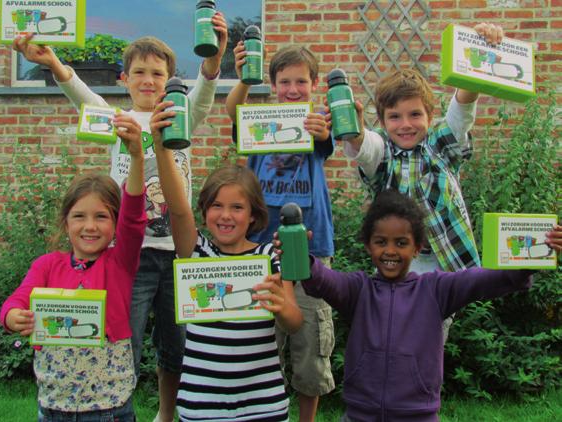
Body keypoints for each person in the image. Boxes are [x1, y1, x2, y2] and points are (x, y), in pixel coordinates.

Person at [13, 14, 228, 422]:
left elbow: (203, 93)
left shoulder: (182, 118)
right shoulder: (118, 122)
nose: (149, 80)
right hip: (128, 256)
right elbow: (82, 97)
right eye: (141, 73)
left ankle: (166, 414)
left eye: (158, 74)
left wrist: (214, 60)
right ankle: (114, 406)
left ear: (169, 79)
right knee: (121, 338)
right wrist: (55, 63)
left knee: (177, 345)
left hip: (179, 254)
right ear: (124, 78)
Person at [276, 189, 562, 422]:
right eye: (381, 242)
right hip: (359, 414)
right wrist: (300, 254)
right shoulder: (358, 290)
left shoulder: (436, 289)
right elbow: (324, 279)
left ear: (417, 247)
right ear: (368, 245)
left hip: (418, 415)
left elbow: (482, 280)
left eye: (401, 243)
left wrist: (528, 261)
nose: (390, 251)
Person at [150, 105, 303, 420]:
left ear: (253, 214)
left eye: (237, 207)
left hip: (264, 405)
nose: (226, 215)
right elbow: (178, 210)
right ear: (205, 212)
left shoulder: (271, 256)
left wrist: (281, 307)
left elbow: (294, 321)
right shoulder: (196, 253)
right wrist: (161, 148)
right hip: (201, 404)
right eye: (216, 206)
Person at [0, 116, 146, 421]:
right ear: (66, 221)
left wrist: (136, 156)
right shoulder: (46, 265)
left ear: (115, 223)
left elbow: (134, 216)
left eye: (101, 217)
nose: (89, 226)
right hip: (54, 408)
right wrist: (14, 317)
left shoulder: (120, 262)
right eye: (79, 216)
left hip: (111, 409)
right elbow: (15, 302)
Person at [339, 22, 505, 275]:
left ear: (430, 116)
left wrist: (475, 49)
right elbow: (366, 148)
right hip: (398, 262)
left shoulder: (440, 143)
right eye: (395, 117)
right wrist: (357, 133)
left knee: (438, 315)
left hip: (445, 260)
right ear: (382, 122)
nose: (405, 125)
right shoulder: (384, 151)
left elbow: (461, 111)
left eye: (415, 114)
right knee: (395, 313)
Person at [225, 44, 335, 421]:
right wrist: (243, 78)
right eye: (284, 81)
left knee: (309, 347)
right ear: (271, 83)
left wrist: (322, 130)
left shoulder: (318, 123)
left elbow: (327, 141)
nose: (292, 89)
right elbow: (231, 114)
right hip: (258, 250)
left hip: (311, 250)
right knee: (260, 341)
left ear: (315, 84)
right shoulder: (256, 120)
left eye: (301, 81)